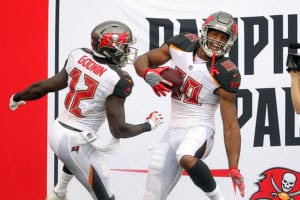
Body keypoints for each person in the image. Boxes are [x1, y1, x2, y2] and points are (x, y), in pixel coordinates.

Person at [9, 20, 164, 200]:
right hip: (75, 141)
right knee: (106, 196)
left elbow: (47, 85)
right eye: (124, 47)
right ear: (111, 48)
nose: (128, 51)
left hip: (58, 129)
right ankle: (59, 192)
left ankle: (59, 192)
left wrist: (18, 96)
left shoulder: (79, 55)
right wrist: (149, 125)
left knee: (80, 161)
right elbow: (118, 130)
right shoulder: (119, 79)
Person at [134, 11, 245, 199]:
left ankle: (218, 197)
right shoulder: (182, 44)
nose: (217, 40)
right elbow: (143, 59)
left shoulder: (226, 73)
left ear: (230, 41)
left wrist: (233, 166)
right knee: (151, 194)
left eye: (223, 37)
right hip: (173, 129)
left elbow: (231, 125)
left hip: (201, 128)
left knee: (185, 155)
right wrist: (148, 74)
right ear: (204, 31)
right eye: (214, 34)